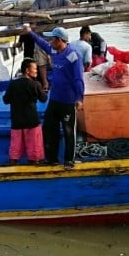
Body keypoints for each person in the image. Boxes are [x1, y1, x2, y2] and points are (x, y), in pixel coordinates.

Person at [22, 26, 84, 170]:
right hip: (55, 99)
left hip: (68, 101)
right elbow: (42, 43)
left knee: (69, 131)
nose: (50, 41)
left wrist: (79, 98)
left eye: (52, 39)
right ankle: (52, 159)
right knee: (49, 128)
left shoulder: (73, 55)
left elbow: (78, 79)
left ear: (59, 40)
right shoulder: (54, 50)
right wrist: (30, 32)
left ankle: (69, 160)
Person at [30, 0, 73, 91]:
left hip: (57, 38)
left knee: (58, 60)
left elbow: (71, 7)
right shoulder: (39, 0)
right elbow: (32, 13)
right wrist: (34, 22)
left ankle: (59, 80)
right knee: (41, 60)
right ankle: (45, 83)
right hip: (42, 36)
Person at [3, 58, 47, 165]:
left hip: (17, 120)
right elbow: (43, 99)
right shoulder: (35, 84)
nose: (36, 71)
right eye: (35, 69)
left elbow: (6, 100)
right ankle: (33, 168)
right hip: (31, 120)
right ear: (27, 70)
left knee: (15, 149)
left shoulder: (13, 84)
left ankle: (12, 168)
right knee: (34, 149)